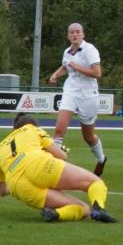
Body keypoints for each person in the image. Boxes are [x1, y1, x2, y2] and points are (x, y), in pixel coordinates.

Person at [0, 113, 117, 223]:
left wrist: (17, 184)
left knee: (83, 209)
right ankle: (99, 208)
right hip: (39, 163)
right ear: (35, 124)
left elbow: (2, 191)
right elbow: (62, 156)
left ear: (14, 129)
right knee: (95, 182)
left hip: (18, 185)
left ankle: (55, 214)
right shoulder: (32, 128)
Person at [47, 23, 108, 176]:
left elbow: (97, 73)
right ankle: (53, 169)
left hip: (88, 95)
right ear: (68, 36)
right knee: (59, 130)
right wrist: (55, 75)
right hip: (70, 92)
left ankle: (101, 159)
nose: (74, 34)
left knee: (88, 136)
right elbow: (65, 66)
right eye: (72, 32)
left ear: (83, 34)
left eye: (77, 32)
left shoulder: (89, 50)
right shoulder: (67, 51)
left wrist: (76, 66)